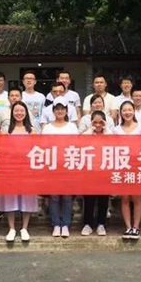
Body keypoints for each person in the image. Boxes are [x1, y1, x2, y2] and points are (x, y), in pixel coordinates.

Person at [0, 101, 39, 242]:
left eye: (21, 111)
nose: (19, 113)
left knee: (27, 197)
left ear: (26, 113)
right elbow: (1, 150)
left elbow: (37, 149)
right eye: (16, 111)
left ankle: (24, 228)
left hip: (27, 169)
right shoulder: (5, 132)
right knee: (10, 197)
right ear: (12, 113)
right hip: (10, 168)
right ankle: (12, 228)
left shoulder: (32, 131)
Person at [42, 97, 79, 238]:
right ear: (53, 111)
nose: (60, 111)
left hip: (68, 165)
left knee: (68, 197)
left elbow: (77, 146)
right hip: (52, 166)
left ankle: (66, 224)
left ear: (66, 111)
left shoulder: (72, 127)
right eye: (57, 109)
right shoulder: (47, 128)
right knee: (54, 196)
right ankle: (56, 224)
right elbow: (43, 147)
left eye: (62, 109)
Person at [114, 101, 141, 240]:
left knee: (137, 197)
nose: (127, 112)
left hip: (137, 166)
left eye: (129, 110)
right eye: (124, 110)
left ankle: (136, 227)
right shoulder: (116, 130)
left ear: (134, 111)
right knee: (125, 197)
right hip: (122, 166)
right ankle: (128, 227)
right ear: (120, 113)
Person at [80, 111, 111, 236]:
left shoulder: (108, 134)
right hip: (90, 171)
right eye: (95, 122)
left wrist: (106, 127)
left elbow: (115, 141)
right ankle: (87, 224)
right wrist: (90, 128)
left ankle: (101, 224)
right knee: (89, 199)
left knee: (103, 199)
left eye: (100, 122)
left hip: (104, 171)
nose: (98, 125)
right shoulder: (88, 134)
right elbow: (80, 141)